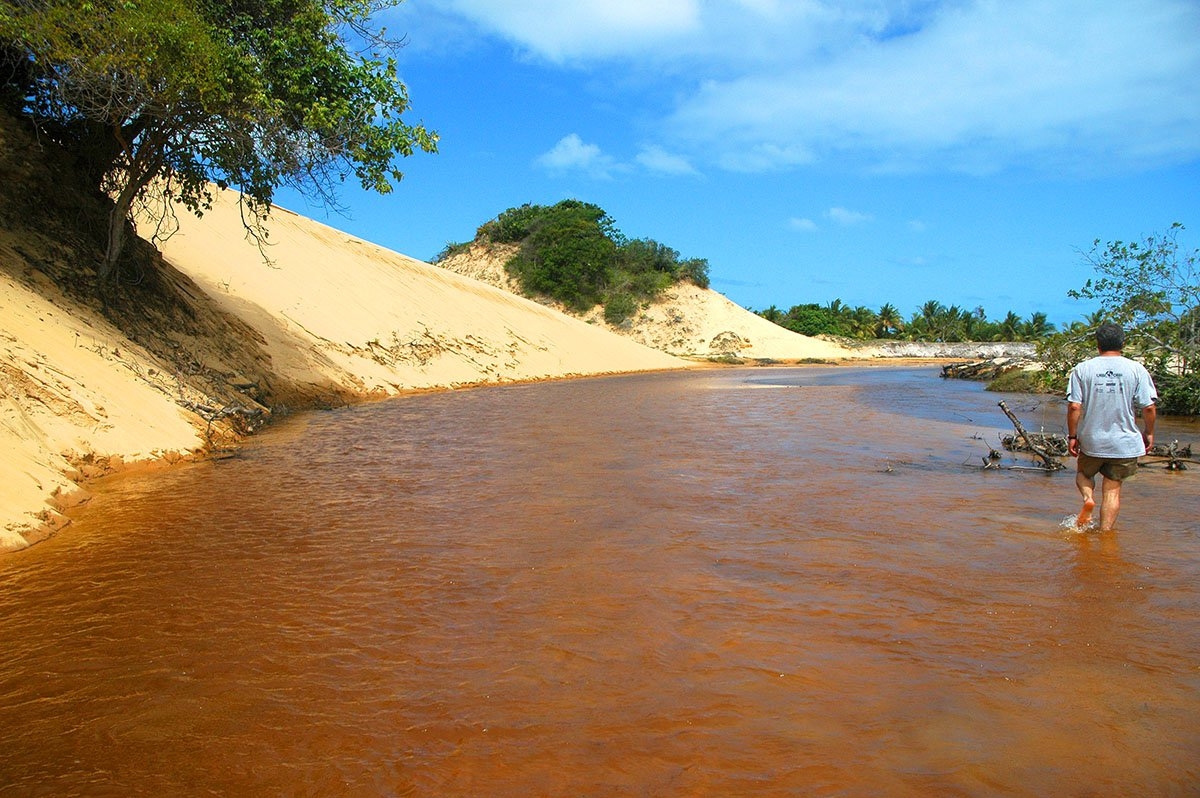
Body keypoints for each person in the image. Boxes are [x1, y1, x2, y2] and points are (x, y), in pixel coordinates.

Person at [1066, 322, 1157, 531]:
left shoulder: (1083, 369)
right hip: (1124, 442)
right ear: (1123, 343)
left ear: (1097, 343)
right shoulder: (1136, 369)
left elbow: (1074, 407)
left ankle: (1088, 498)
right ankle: (1106, 536)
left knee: (1084, 474)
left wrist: (1072, 436)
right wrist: (1149, 433)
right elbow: (1149, 408)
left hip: (1092, 439)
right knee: (1113, 490)